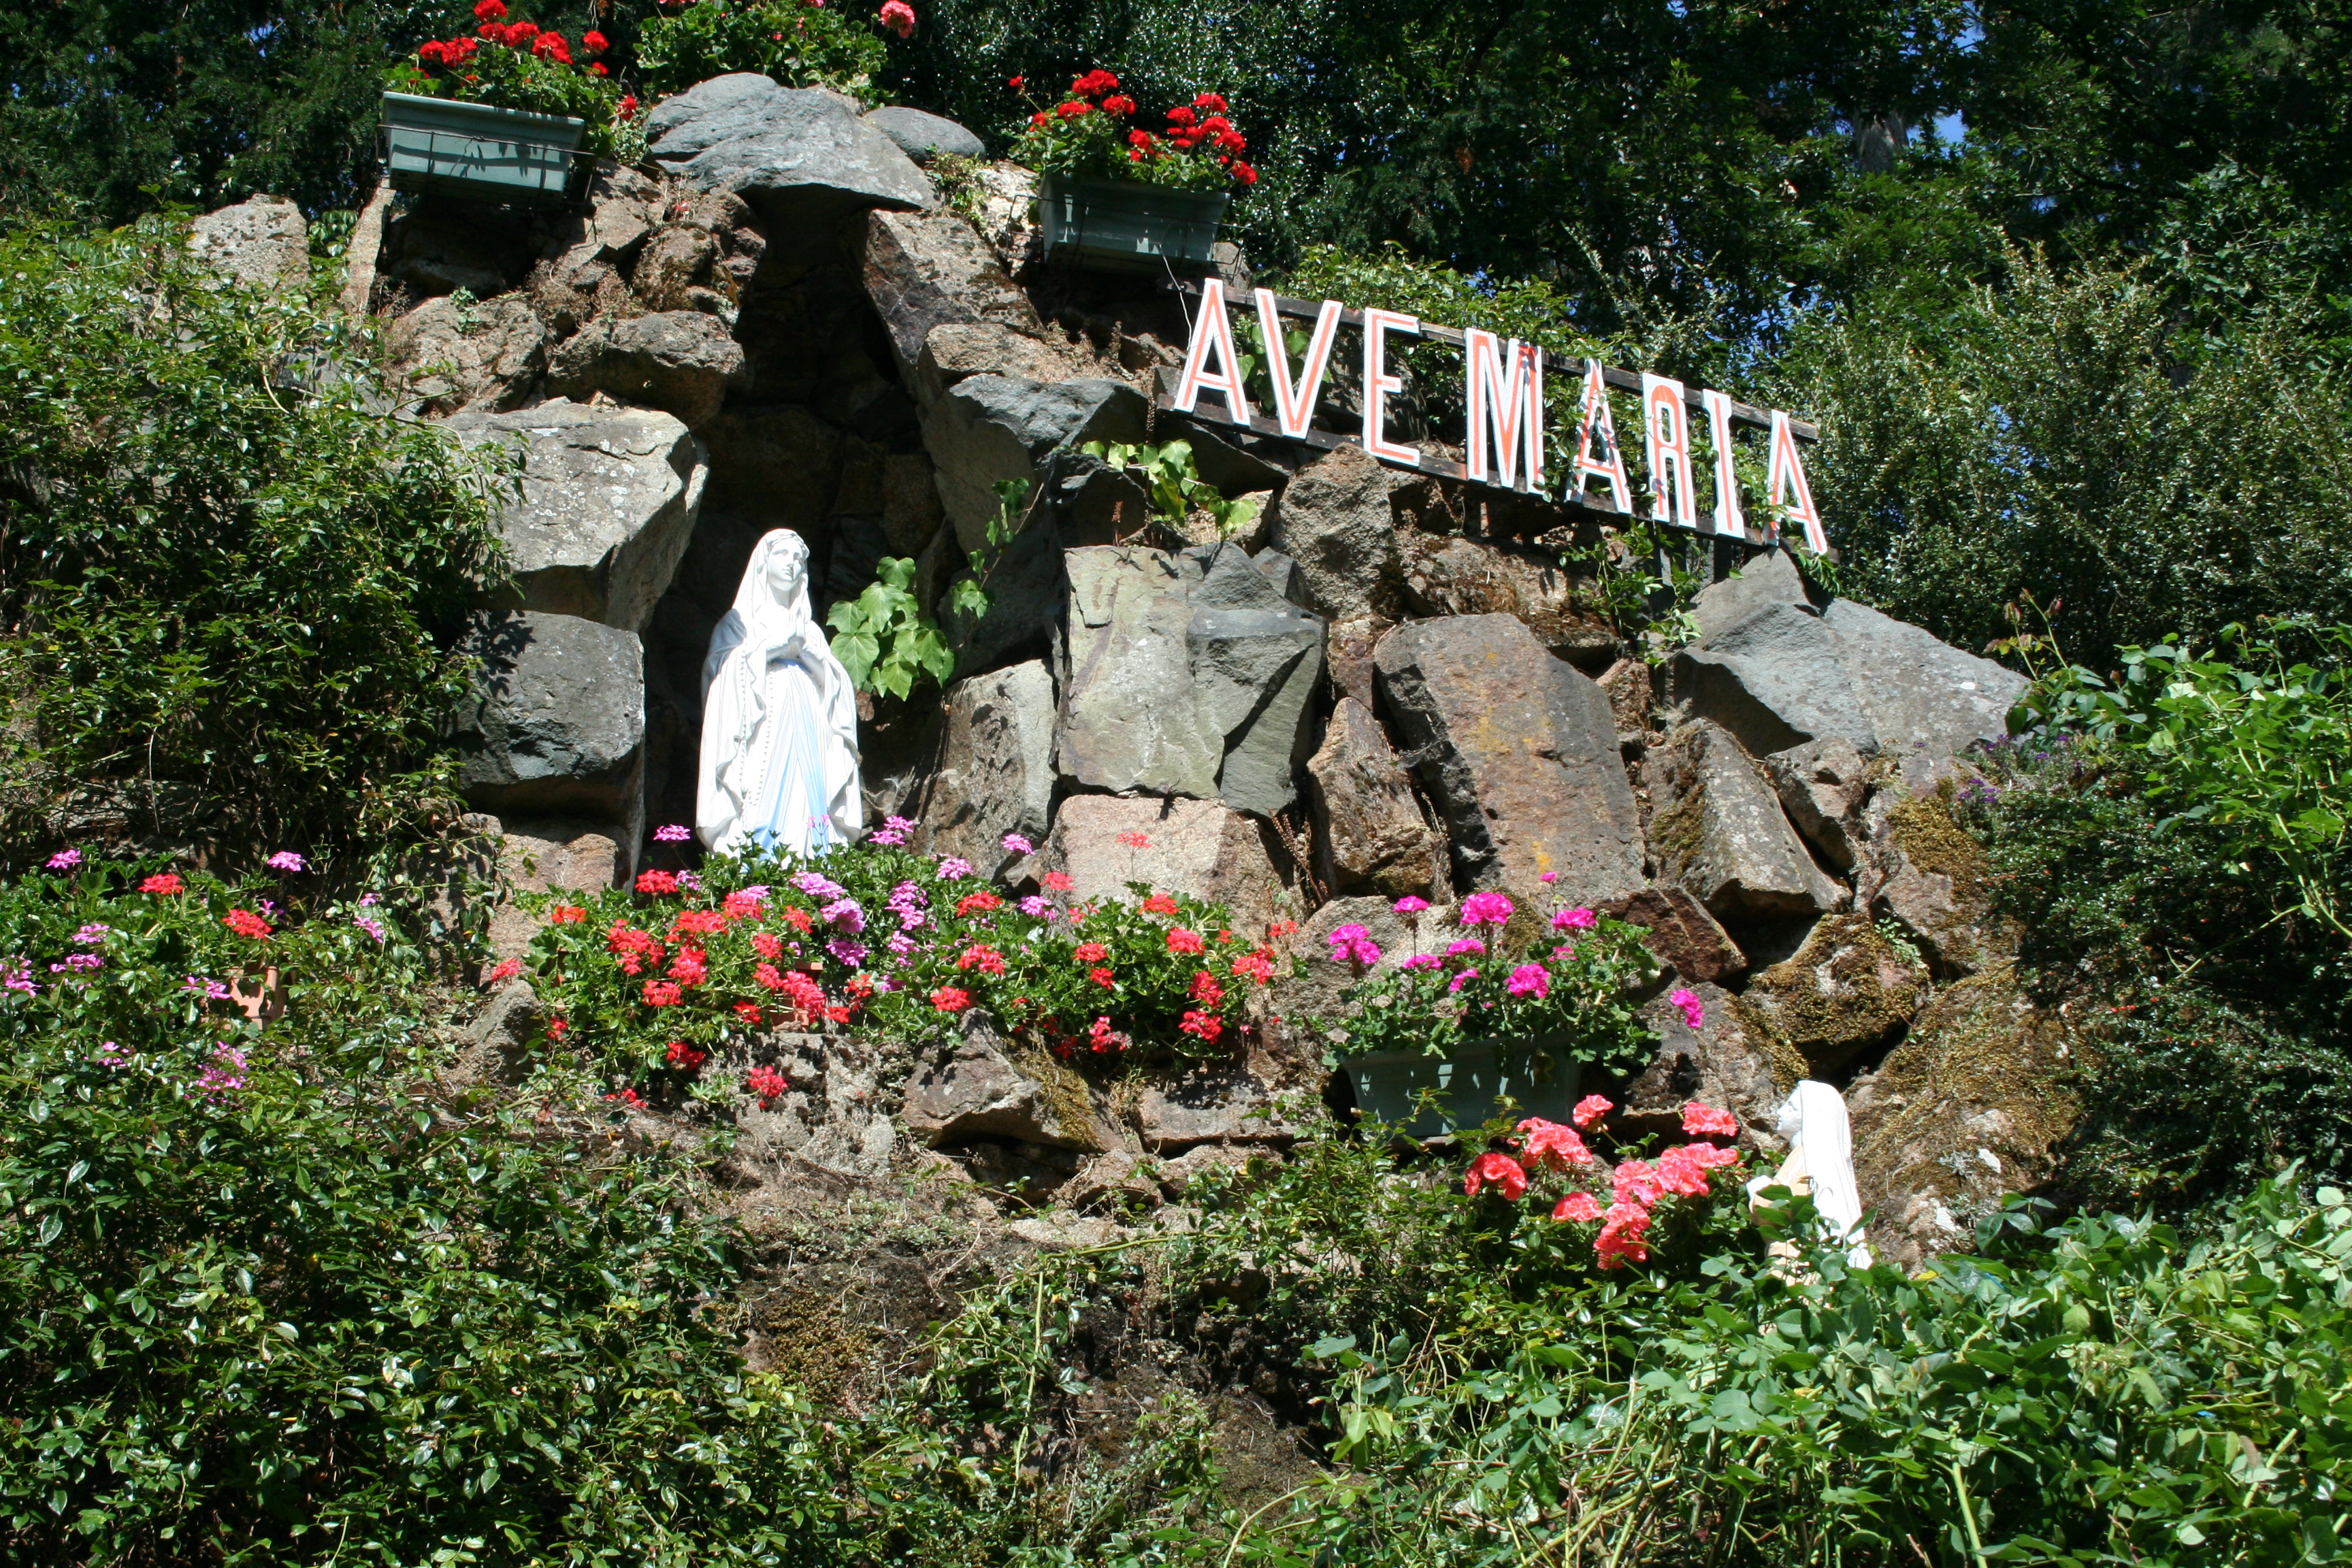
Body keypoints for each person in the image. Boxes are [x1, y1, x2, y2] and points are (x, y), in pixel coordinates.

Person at [696, 530, 863, 857]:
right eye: (783, 555)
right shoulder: (740, 622)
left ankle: (809, 865)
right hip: (761, 723)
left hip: (809, 722)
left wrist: (810, 656)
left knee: (807, 788)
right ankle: (753, 865)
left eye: (799, 559)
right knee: (758, 789)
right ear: (763, 563)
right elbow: (718, 674)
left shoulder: (811, 629)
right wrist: (768, 649)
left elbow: (837, 686)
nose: (792, 564)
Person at [1746, 1079, 1873, 1267]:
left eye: (1792, 1108)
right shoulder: (1809, 1155)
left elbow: (1785, 1205)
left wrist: (1759, 1193)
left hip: (1794, 1258)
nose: (1780, 1113)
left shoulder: (1809, 1156)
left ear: (1813, 1114)